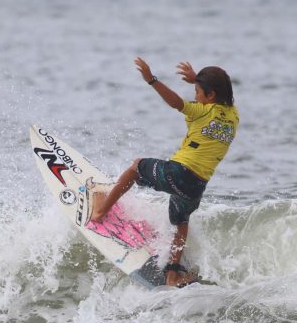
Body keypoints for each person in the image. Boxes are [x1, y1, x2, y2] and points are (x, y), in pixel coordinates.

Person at [91, 57, 239, 287]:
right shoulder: (233, 116)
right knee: (181, 221)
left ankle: (100, 211)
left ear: (210, 97)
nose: (195, 95)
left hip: (179, 172)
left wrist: (152, 80)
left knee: (135, 167)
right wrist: (197, 78)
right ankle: (172, 273)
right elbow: (218, 94)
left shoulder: (200, 111)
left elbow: (176, 103)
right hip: (197, 185)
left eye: (198, 92)